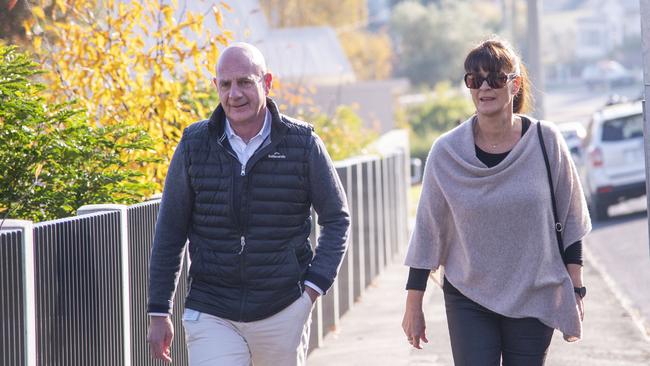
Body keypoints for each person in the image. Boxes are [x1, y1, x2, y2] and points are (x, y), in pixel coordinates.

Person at [146, 42, 350, 366]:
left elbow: (337, 219)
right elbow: (170, 231)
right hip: (211, 309)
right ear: (215, 87)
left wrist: (311, 290)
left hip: (283, 308)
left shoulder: (303, 143)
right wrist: (159, 311)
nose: (234, 94)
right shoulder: (193, 144)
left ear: (267, 83)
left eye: (245, 82)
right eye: (225, 84)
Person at [401, 38, 592, 365]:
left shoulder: (546, 142)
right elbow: (428, 231)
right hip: (468, 295)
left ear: (514, 84)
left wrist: (576, 289)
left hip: (535, 292)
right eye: (475, 80)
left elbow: (571, 218)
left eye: (496, 78)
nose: (484, 87)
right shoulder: (446, 153)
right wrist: (413, 304)